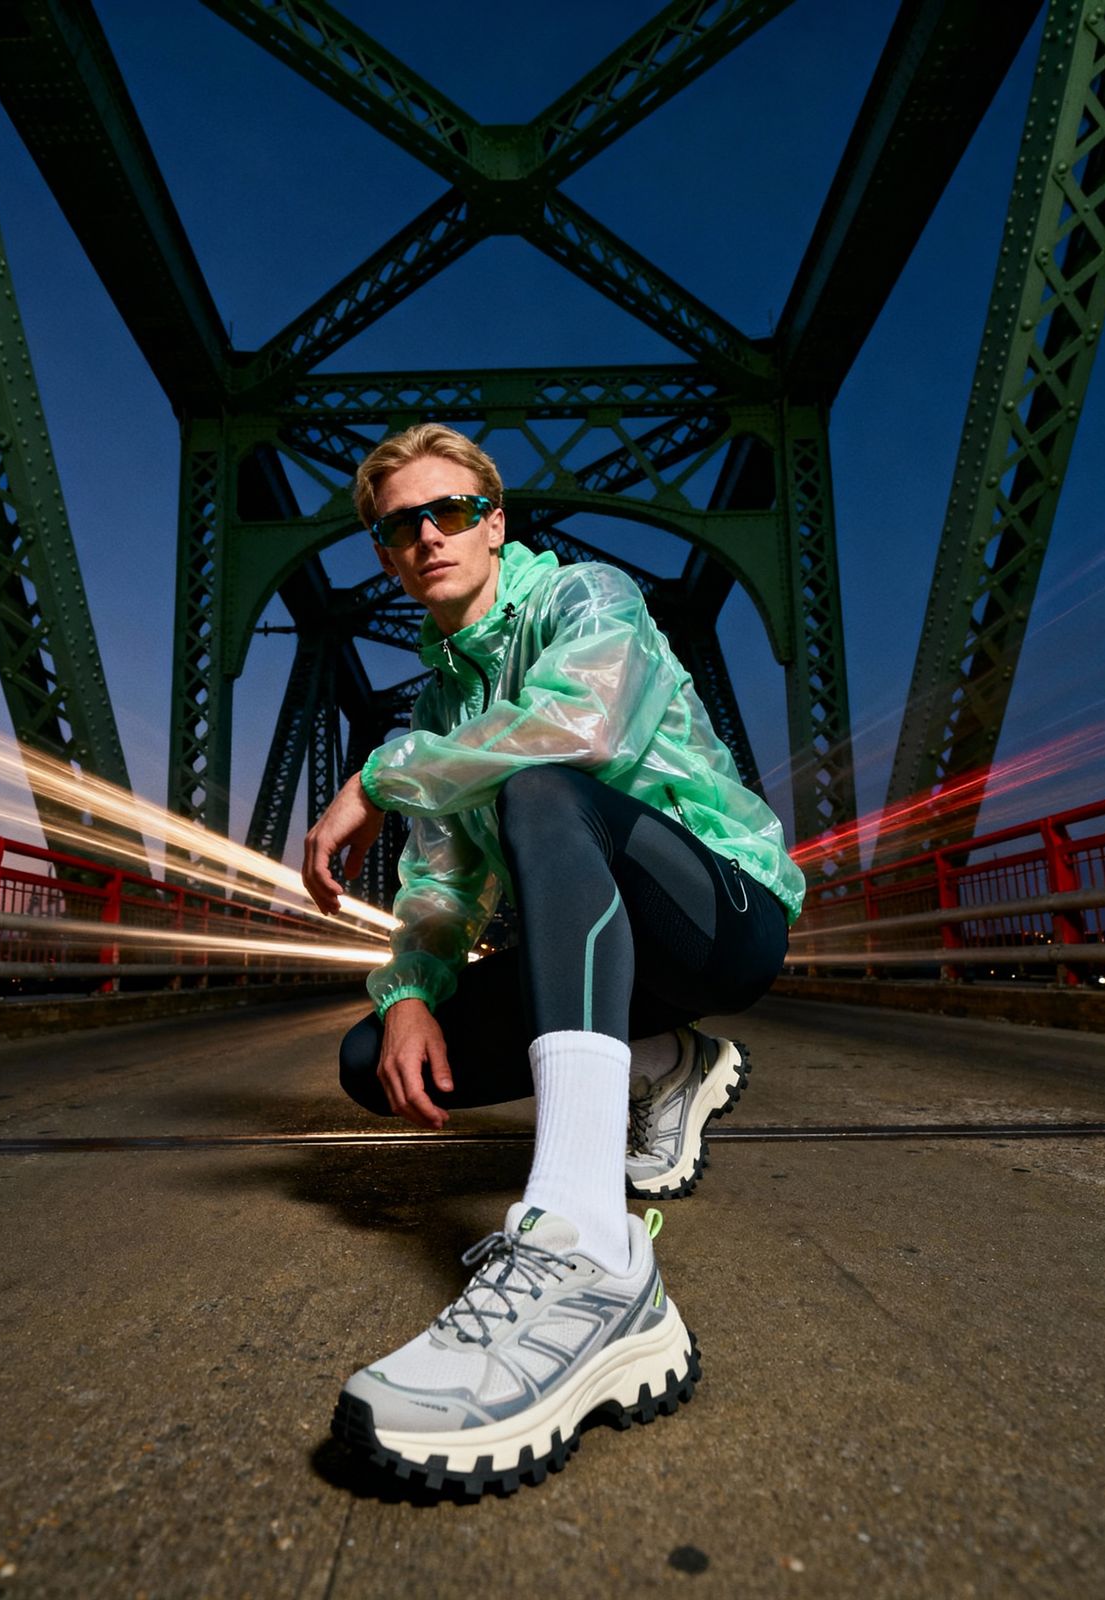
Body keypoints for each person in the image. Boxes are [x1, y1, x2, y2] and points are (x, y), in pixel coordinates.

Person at [301, 424, 804, 1495]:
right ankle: (662, 1061)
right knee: (368, 1059)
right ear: (385, 556)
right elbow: (441, 887)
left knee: (540, 788)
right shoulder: (439, 707)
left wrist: (382, 773)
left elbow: (575, 729)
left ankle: (588, 1251)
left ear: (493, 524)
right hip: (612, 954)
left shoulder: (587, 597)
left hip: (721, 912)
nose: (425, 536)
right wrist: (409, 993)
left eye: (447, 511)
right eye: (398, 527)